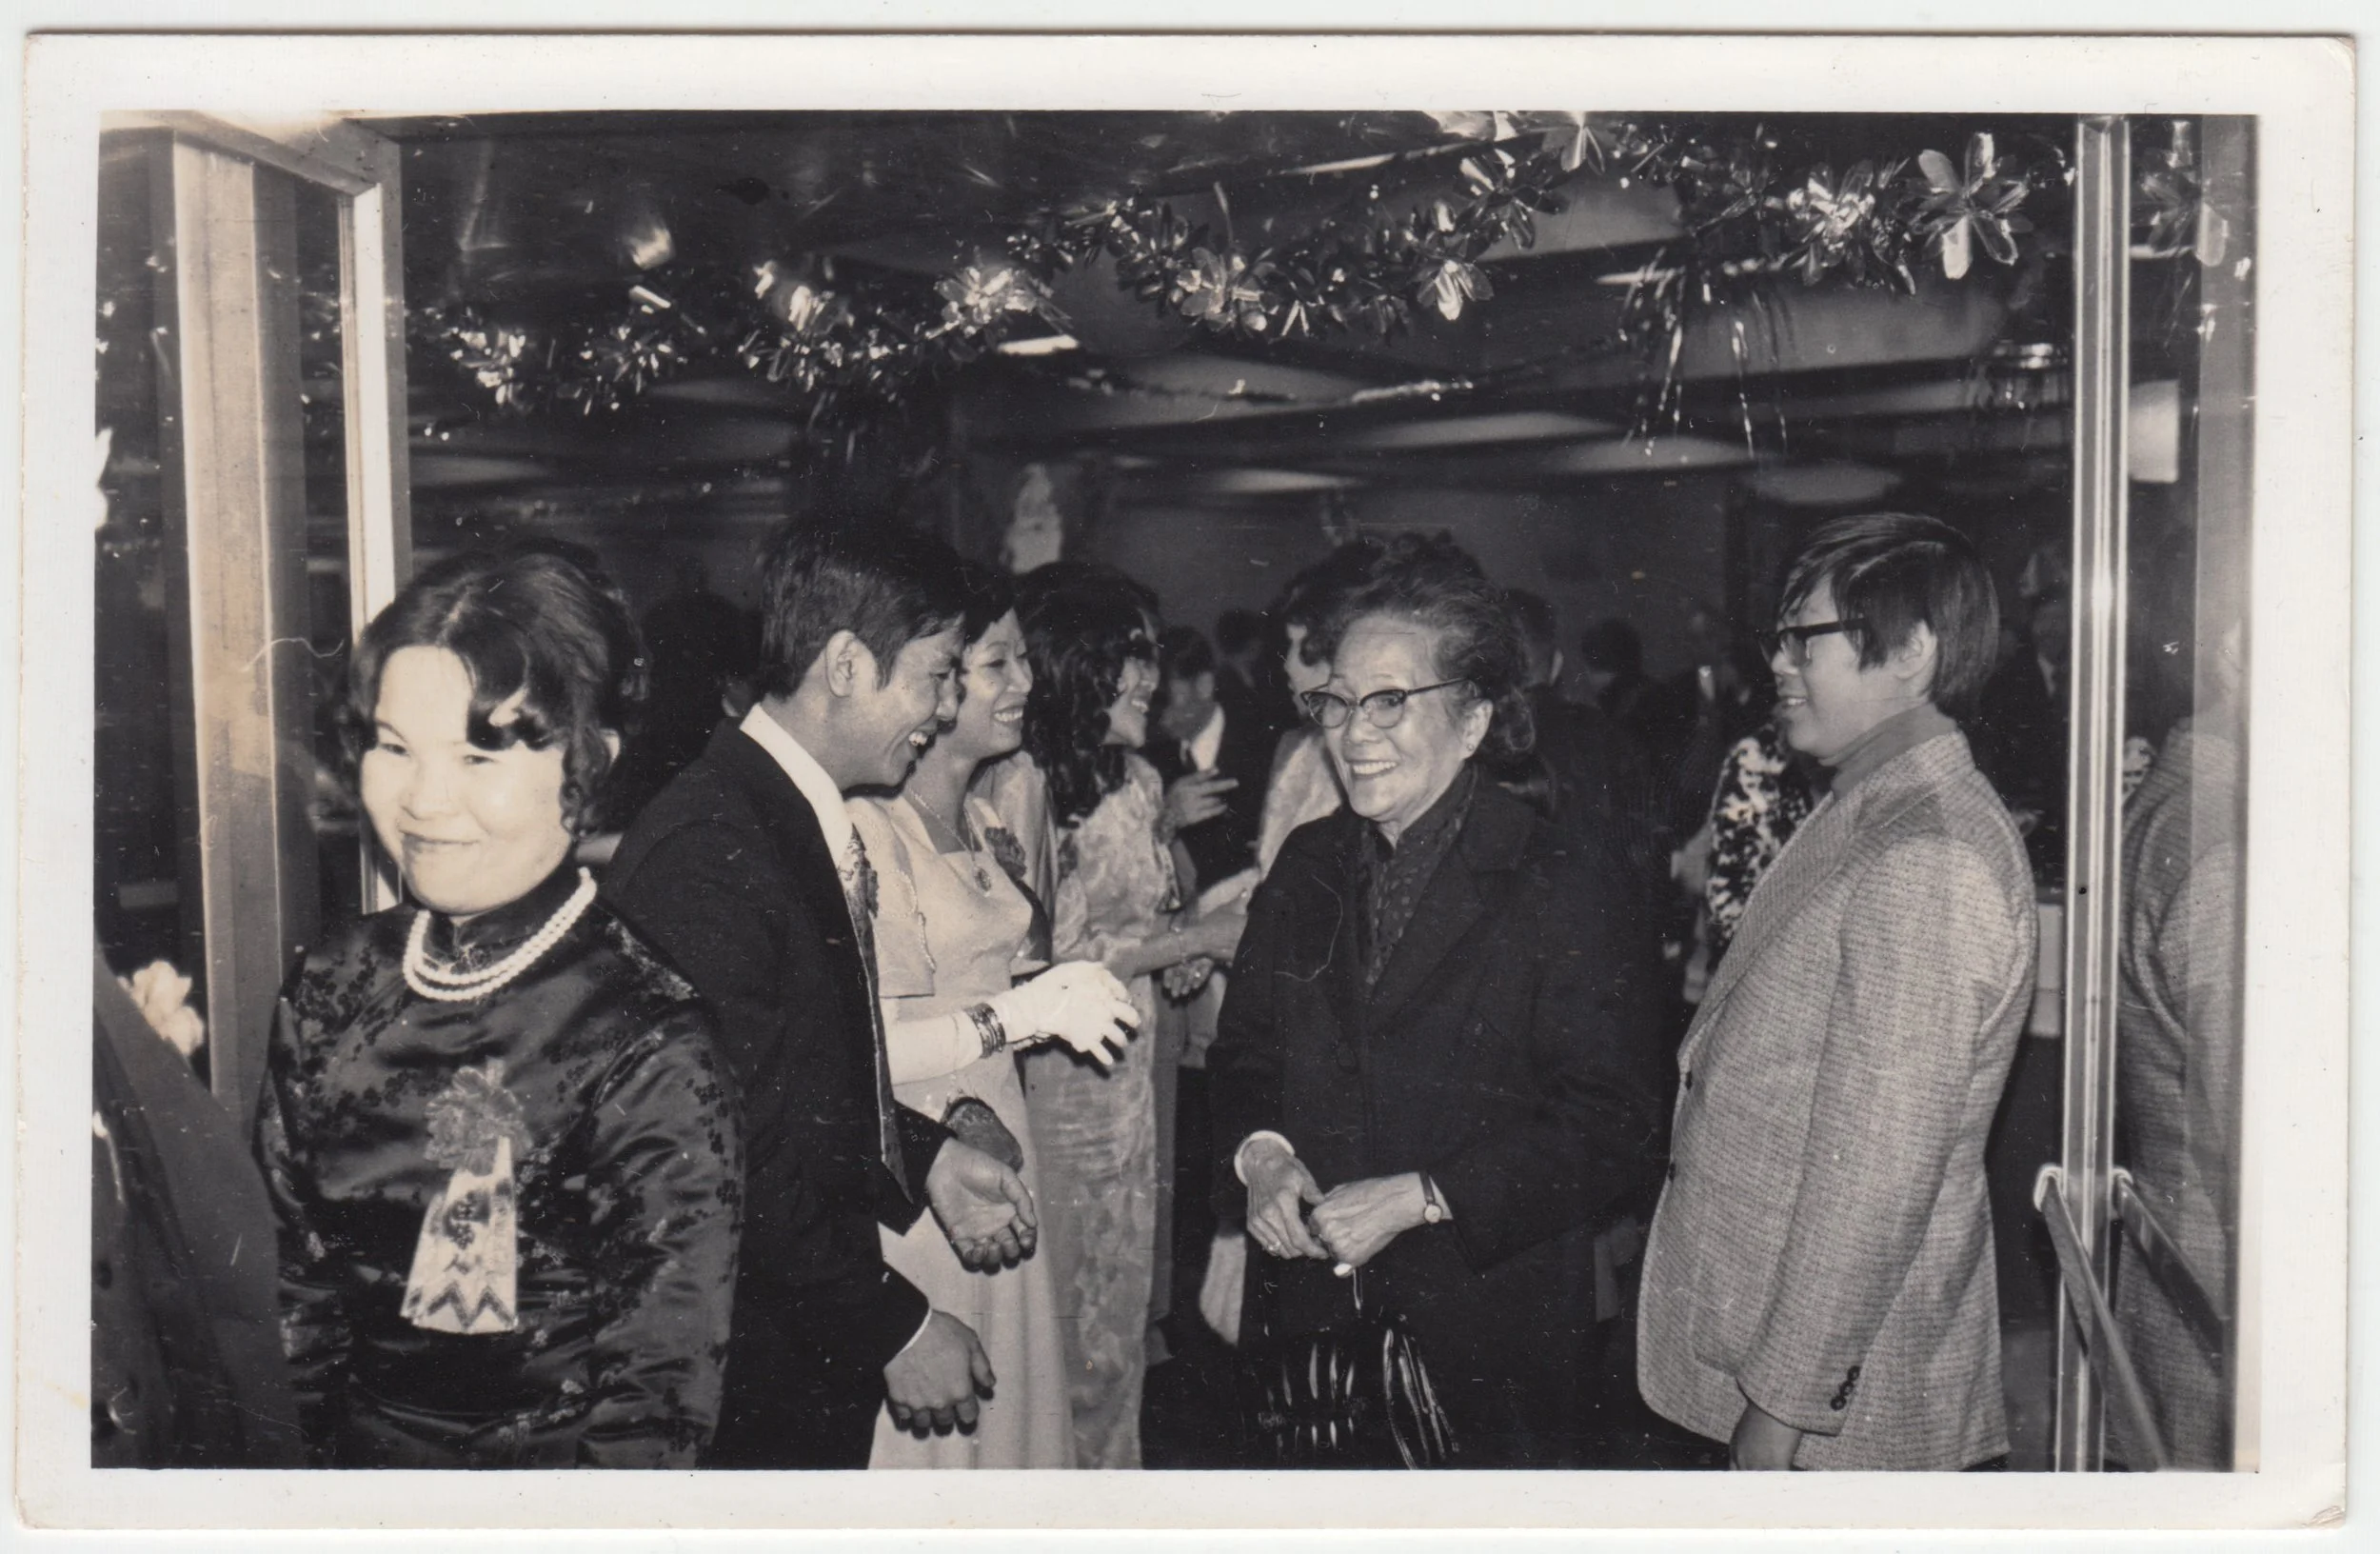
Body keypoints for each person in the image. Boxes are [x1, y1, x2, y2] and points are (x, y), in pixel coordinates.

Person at [252, 547, 742, 1467]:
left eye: (478, 755)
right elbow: (286, 1306)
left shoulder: (645, 1036)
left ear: (590, 763)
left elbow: (653, 1415)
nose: (425, 801)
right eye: (394, 748)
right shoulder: (331, 985)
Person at [1208, 545, 1670, 1467]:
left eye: (1389, 701)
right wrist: (1263, 1160)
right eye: (1336, 702)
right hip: (1309, 1331)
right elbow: (1244, 1058)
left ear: (1473, 721)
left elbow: (1615, 1124)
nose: (1354, 731)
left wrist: (1424, 1198)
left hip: (1480, 1332)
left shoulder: (1560, 882)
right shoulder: (1307, 867)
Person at [604, 522, 1041, 1469]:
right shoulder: (710, 850)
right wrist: (890, 1324)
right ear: (846, 664)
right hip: (743, 1355)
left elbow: (799, 1073)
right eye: (935, 674)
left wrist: (920, 1155)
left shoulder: (783, 811)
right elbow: (725, 1144)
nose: (944, 705)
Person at [1636, 512, 2035, 1471]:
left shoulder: (1925, 853)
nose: (1776, 662)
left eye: (1802, 638)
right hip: (1781, 1355)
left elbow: (1876, 1174)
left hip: (1834, 1417)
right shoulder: (1872, 804)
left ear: (1910, 651)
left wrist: (1777, 1414)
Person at [850, 560, 1139, 1468]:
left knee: (1011, 1419)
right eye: (998, 665)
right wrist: (1023, 1009)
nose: (1025, 684)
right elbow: (868, 1051)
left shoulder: (979, 818)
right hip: (927, 1161)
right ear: (935, 679)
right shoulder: (873, 827)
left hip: (1002, 1136)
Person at [980, 564, 1246, 1468]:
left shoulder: (1136, 780)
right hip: (1065, 1096)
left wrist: (1181, 937)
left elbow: (1138, 921)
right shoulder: (1021, 787)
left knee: (1122, 1323)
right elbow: (1043, 968)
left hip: (1137, 1084)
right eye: (1132, 655)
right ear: (1079, 665)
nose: (1152, 677)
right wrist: (1194, 942)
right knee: (1073, 1335)